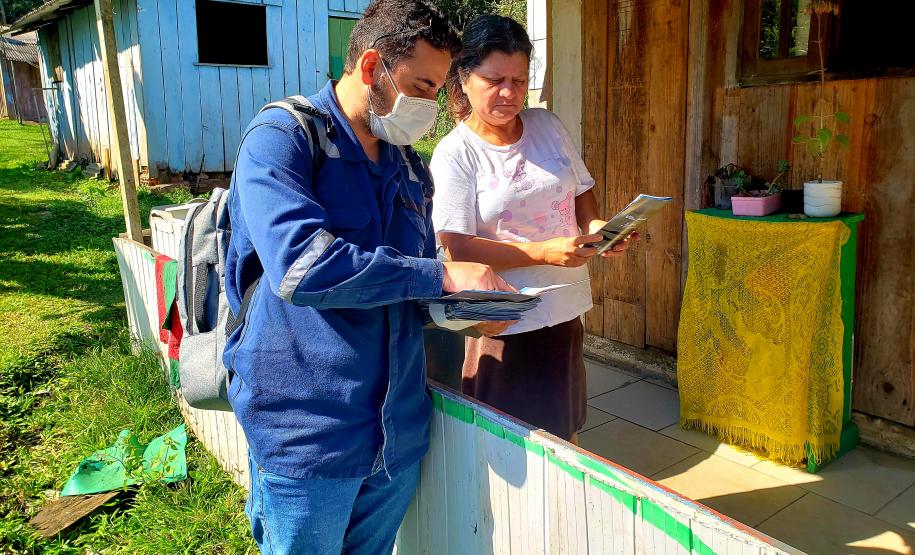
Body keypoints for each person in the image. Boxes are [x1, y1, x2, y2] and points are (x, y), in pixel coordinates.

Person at [223, 2, 515, 552]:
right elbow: (302, 269)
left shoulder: (408, 168)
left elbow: (411, 290)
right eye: (422, 87)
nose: (430, 105)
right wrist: (440, 277)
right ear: (371, 65)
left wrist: (473, 312)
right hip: (309, 435)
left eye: (435, 89)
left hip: (397, 436)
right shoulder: (284, 138)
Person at [430, 15, 634, 444]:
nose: (510, 93)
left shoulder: (546, 126)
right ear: (464, 79)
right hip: (505, 320)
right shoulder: (456, 155)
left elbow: (581, 188)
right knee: (509, 442)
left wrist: (596, 227)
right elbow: (457, 247)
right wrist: (543, 252)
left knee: (567, 427)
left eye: (520, 80)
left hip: (563, 306)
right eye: (495, 79)